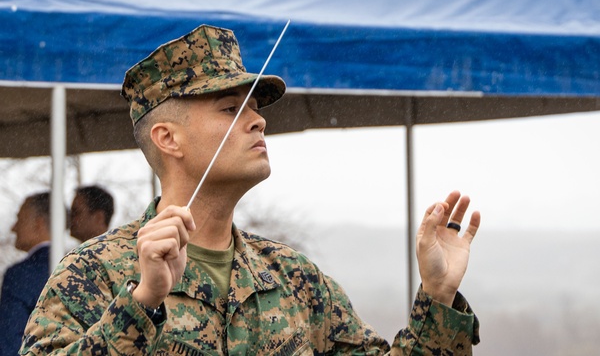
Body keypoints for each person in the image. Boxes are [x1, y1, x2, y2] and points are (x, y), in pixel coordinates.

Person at [21, 25, 481, 355]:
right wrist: (142, 303)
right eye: (229, 108)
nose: (258, 120)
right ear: (168, 138)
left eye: (256, 108)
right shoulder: (93, 273)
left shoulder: (296, 280)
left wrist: (437, 296)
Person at [0, 192, 51, 356]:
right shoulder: (76, 265)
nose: (13, 228)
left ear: (38, 223)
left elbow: (9, 341)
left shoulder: (22, 274)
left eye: (20, 219)